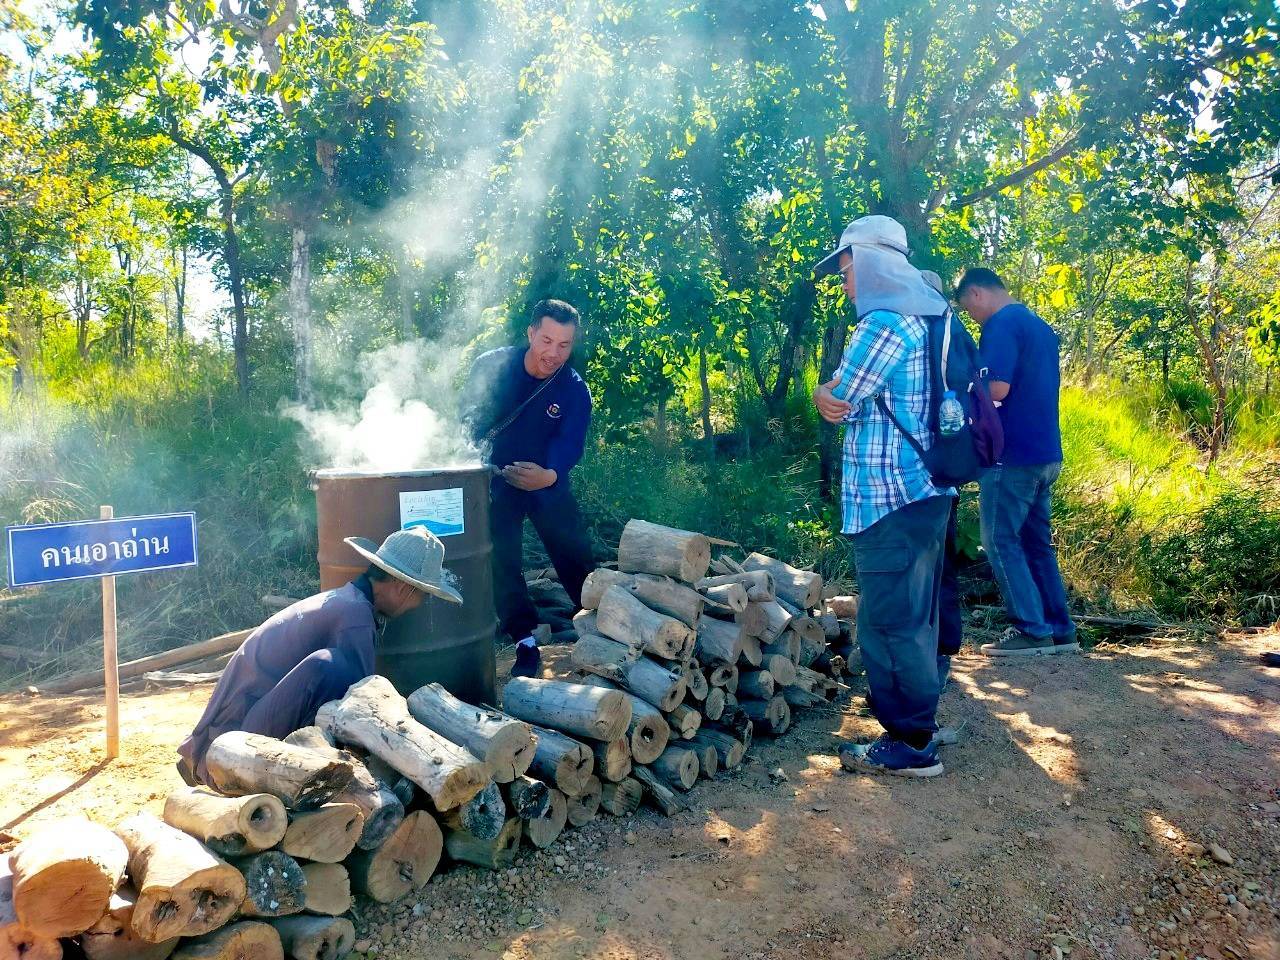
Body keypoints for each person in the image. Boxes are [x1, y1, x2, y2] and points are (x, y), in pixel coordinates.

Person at [811, 215, 955, 777]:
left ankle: (911, 743)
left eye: (847, 268)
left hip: (890, 497)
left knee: (889, 623)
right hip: (927, 493)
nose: (844, 282)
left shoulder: (883, 323)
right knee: (916, 618)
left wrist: (825, 389)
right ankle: (921, 719)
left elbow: (842, 397)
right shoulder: (929, 318)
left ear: (870, 262)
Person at [177, 526, 462, 785]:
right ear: (403, 588)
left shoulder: (347, 602)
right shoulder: (355, 618)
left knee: (337, 672)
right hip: (231, 749)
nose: (417, 605)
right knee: (333, 668)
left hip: (232, 731)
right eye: (422, 595)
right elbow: (364, 705)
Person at [461, 298, 595, 676]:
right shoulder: (493, 366)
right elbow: (468, 417)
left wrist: (549, 475)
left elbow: (571, 443)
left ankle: (602, 627)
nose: (554, 353)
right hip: (495, 482)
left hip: (546, 482)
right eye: (547, 340)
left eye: (564, 345)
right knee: (501, 559)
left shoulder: (573, 389)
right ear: (531, 333)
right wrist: (479, 467)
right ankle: (525, 643)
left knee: (574, 554)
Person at [954, 267, 1078, 656]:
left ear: (976, 294)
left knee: (998, 539)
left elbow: (997, 388)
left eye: (968, 310)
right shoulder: (1039, 325)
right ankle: (1060, 630)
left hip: (1012, 455)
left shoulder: (1002, 325)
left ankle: (1030, 629)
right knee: (1036, 543)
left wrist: (961, 396)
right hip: (1045, 453)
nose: (973, 319)